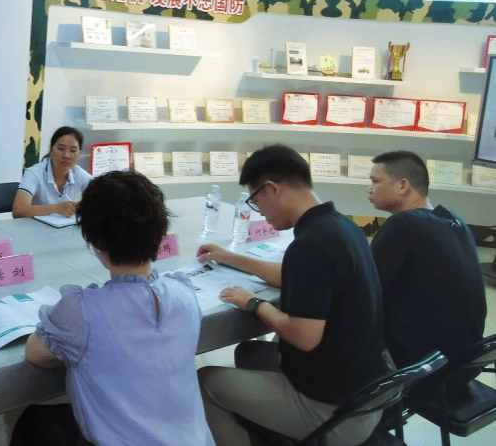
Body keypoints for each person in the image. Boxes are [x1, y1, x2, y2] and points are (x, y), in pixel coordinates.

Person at [197, 144, 389, 446]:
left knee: (205, 381)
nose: (260, 212)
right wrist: (230, 257)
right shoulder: (339, 225)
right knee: (247, 353)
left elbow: (304, 337)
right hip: (366, 392)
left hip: (335, 413)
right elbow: (291, 274)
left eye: (255, 201)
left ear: (272, 189)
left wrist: (255, 304)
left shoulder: (312, 245)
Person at [23, 170, 214, 445]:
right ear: (160, 233)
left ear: (96, 242)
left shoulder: (81, 310)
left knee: (33, 420)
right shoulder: (184, 292)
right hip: (196, 440)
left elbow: (35, 353)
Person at [367, 151, 486, 376]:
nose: (369, 189)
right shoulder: (455, 221)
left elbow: (362, 290)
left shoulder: (403, 224)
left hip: (422, 366)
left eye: (375, 181)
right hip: (465, 362)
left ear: (403, 185)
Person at [12, 126, 92, 218]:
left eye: (73, 151)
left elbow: (101, 191)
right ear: (51, 150)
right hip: (34, 225)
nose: (66, 155)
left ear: (79, 154)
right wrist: (57, 208)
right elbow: (18, 211)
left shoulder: (77, 173)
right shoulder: (34, 173)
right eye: (61, 149)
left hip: (65, 225)